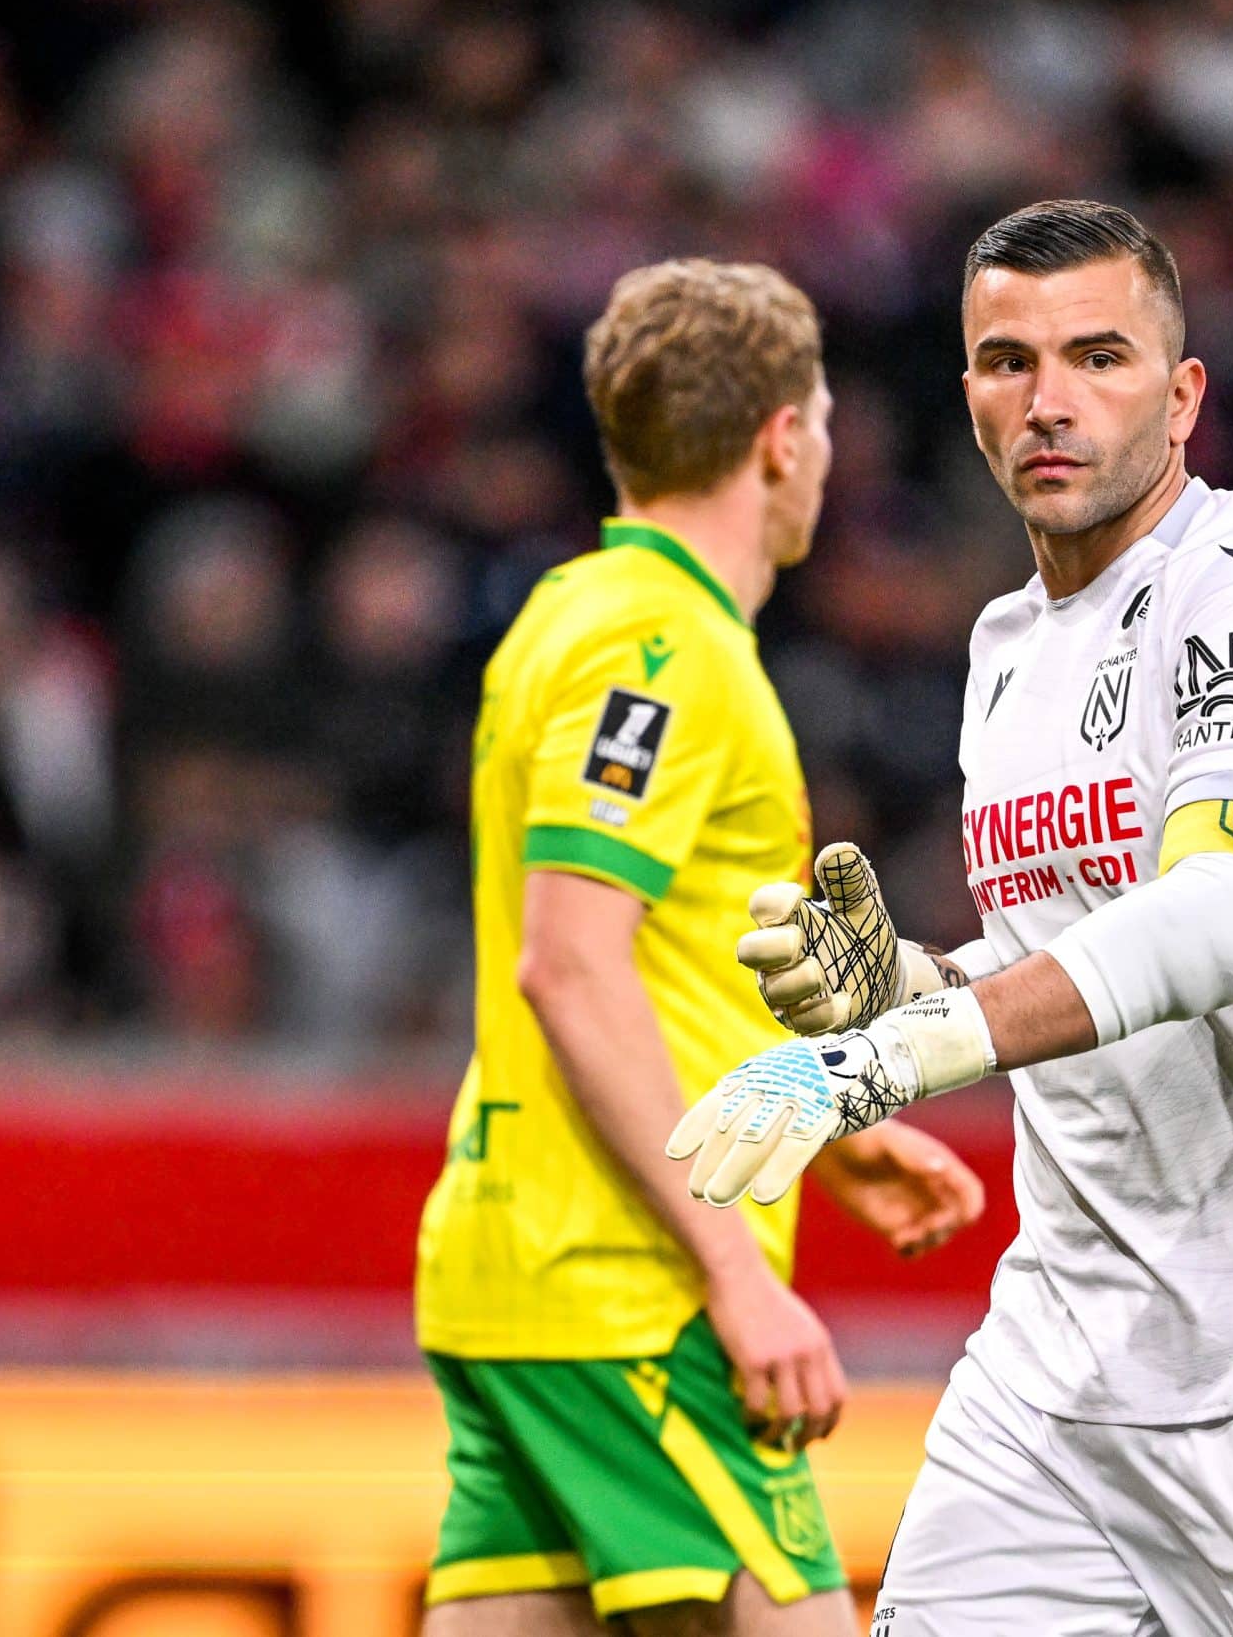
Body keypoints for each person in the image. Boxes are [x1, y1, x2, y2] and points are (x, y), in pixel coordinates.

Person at [672, 200, 1233, 1633]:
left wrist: (899, 1056)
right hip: (1059, 1379)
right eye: (1007, 362)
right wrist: (900, 984)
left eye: (1099, 356)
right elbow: (1063, 952)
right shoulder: (1007, 649)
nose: (1048, 400)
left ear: (1182, 395)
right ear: (967, 395)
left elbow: (1220, 918)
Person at [415, 259, 986, 1637]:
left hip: (522, 1271)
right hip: (636, 1297)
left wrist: (831, 1139)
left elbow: (659, 970)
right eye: (828, 424)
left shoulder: (570, 616)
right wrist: (740, 1277)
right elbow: (572, 962)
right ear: (784, 436)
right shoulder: (663, 650)